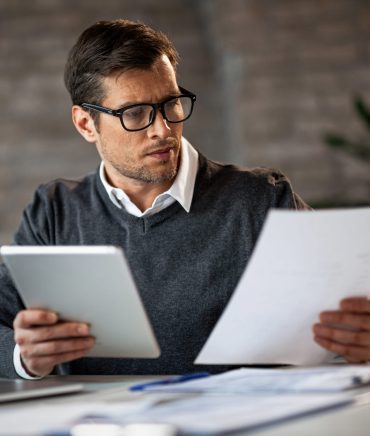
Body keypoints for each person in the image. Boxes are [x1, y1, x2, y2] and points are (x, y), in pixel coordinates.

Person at [0, 19, 369, 380]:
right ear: (85, 125)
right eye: (135, 113)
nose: (163, 130)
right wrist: (25, 355)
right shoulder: (53, 211)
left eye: (171, 104)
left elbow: (346, 317)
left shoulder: (261, 199)